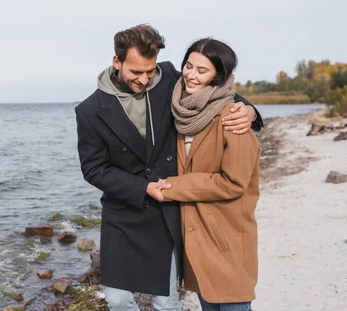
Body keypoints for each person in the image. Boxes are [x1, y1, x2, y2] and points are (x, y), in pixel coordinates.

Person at [75, 25, 263, 311]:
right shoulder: (89, 111)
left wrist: (249, 111)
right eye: (136, 72)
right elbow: (94, 169)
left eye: (149, 71)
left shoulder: (168, 79)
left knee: (166, 301)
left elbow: (217, 91)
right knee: (117, 299)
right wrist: (143, 187)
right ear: (117, 62)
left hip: (168, 207)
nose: (144, 79)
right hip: (125, 210)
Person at [160, 38, 261, 311]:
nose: (191, 74)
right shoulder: (180, 110)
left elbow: (234, 183)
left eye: (202, 70)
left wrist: (171, 187)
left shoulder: (232, 117)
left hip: (226, 239)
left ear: (219, 76)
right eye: (188, 66)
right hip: (196, 241)